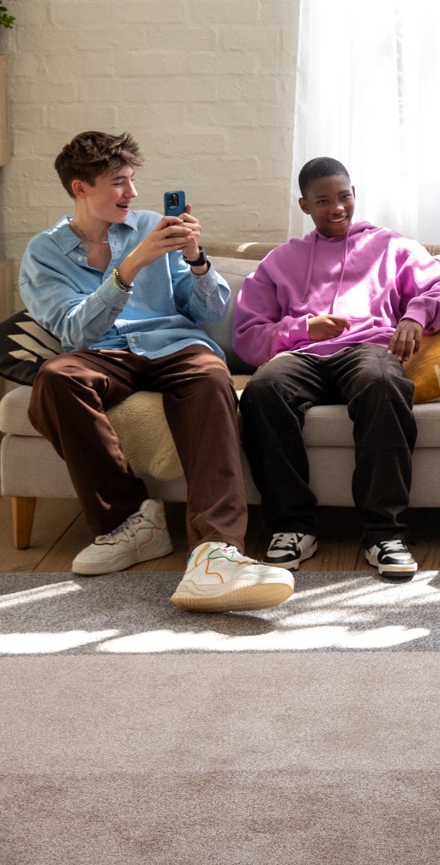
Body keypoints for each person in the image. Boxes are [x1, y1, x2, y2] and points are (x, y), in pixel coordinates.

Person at [19, 131, 294, 612]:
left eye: (132, 180)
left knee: (212, 377)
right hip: (101, 351)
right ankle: (131, 523)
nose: (132, 194)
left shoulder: (152, 224)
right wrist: (129, 267)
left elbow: (204, 311)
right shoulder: (44, 253)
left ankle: (217, 552)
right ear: (80, 188)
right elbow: (74, 331)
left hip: (174, 344)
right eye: (118, 183)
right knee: (56, 378)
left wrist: (196, 260)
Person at [232, 157, 440, 578]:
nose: (337, 207)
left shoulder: (392, 246)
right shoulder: (281, 260)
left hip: (368, 349)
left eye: (344, 196)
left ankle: (383, 533)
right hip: (302, 354)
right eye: (323, 201)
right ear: (304, 205)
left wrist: (414, 316)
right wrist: (303, 327)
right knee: (263, 390)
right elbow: (247, 335)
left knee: (382, 382)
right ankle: (292, 527)